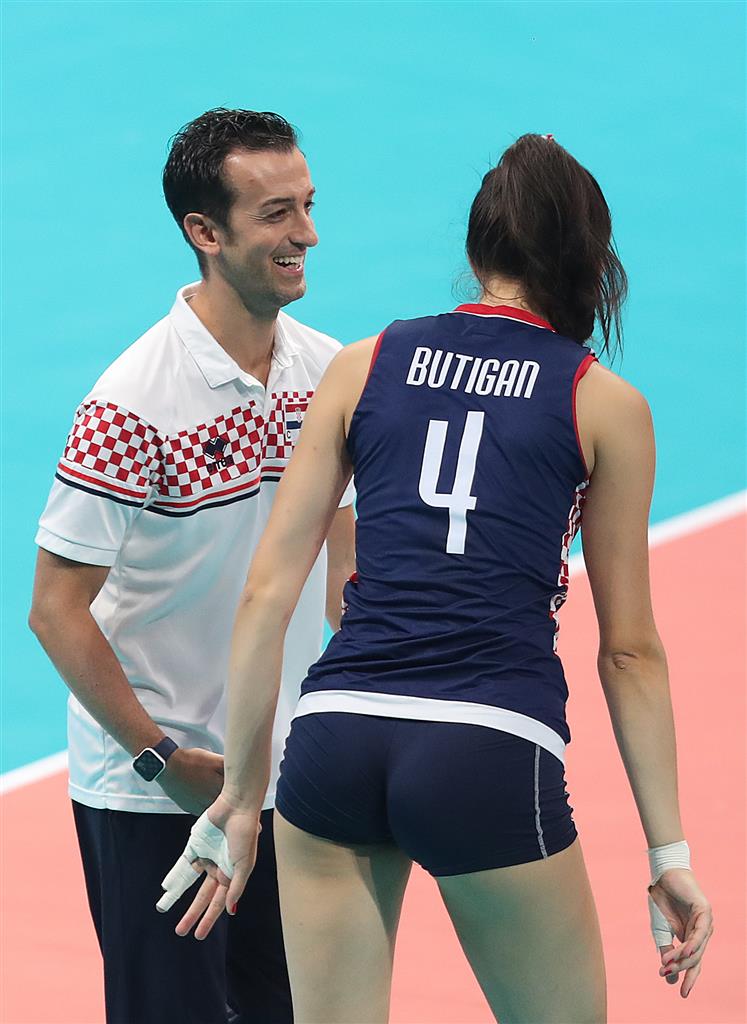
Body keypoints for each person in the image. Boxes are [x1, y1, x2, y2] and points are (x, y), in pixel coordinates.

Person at [158, 134, 713, 1023]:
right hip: (485, 744)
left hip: (334, 740)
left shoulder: (363, 363)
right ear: (588, 260)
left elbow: (267, 593)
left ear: (476, 249)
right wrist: (668, 854)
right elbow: (629, 652)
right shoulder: (603, 403)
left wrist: (241, 796)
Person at [29, 107, 355, 1024]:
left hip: (284, 778)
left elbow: (347, 576)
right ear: (204, 233)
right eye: (276, 214)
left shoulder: (327, 375)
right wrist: (159, 758)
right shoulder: (130, 405)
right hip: (156, 791)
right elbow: (55, 609)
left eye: (308, 205)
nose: (306, 234)